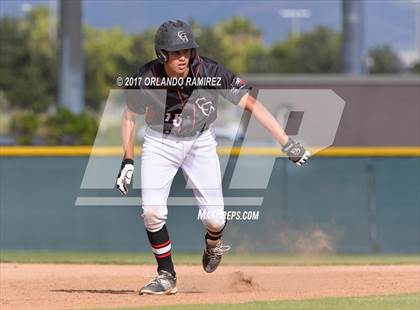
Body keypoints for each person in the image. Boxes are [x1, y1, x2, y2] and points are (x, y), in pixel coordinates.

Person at [116, 20, 310, 295]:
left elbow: (251, 104)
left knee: (215, 220)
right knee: (152, 212)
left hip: (200, 142)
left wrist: (286, 142)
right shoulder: (146, 78)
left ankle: (213, 243)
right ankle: (166, 275)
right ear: (162, 55)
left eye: (187, 50)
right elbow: (128, 116)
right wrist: (127, 160)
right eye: (175, 52)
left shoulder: (210, 72)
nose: (183, 56)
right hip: (160, 142)